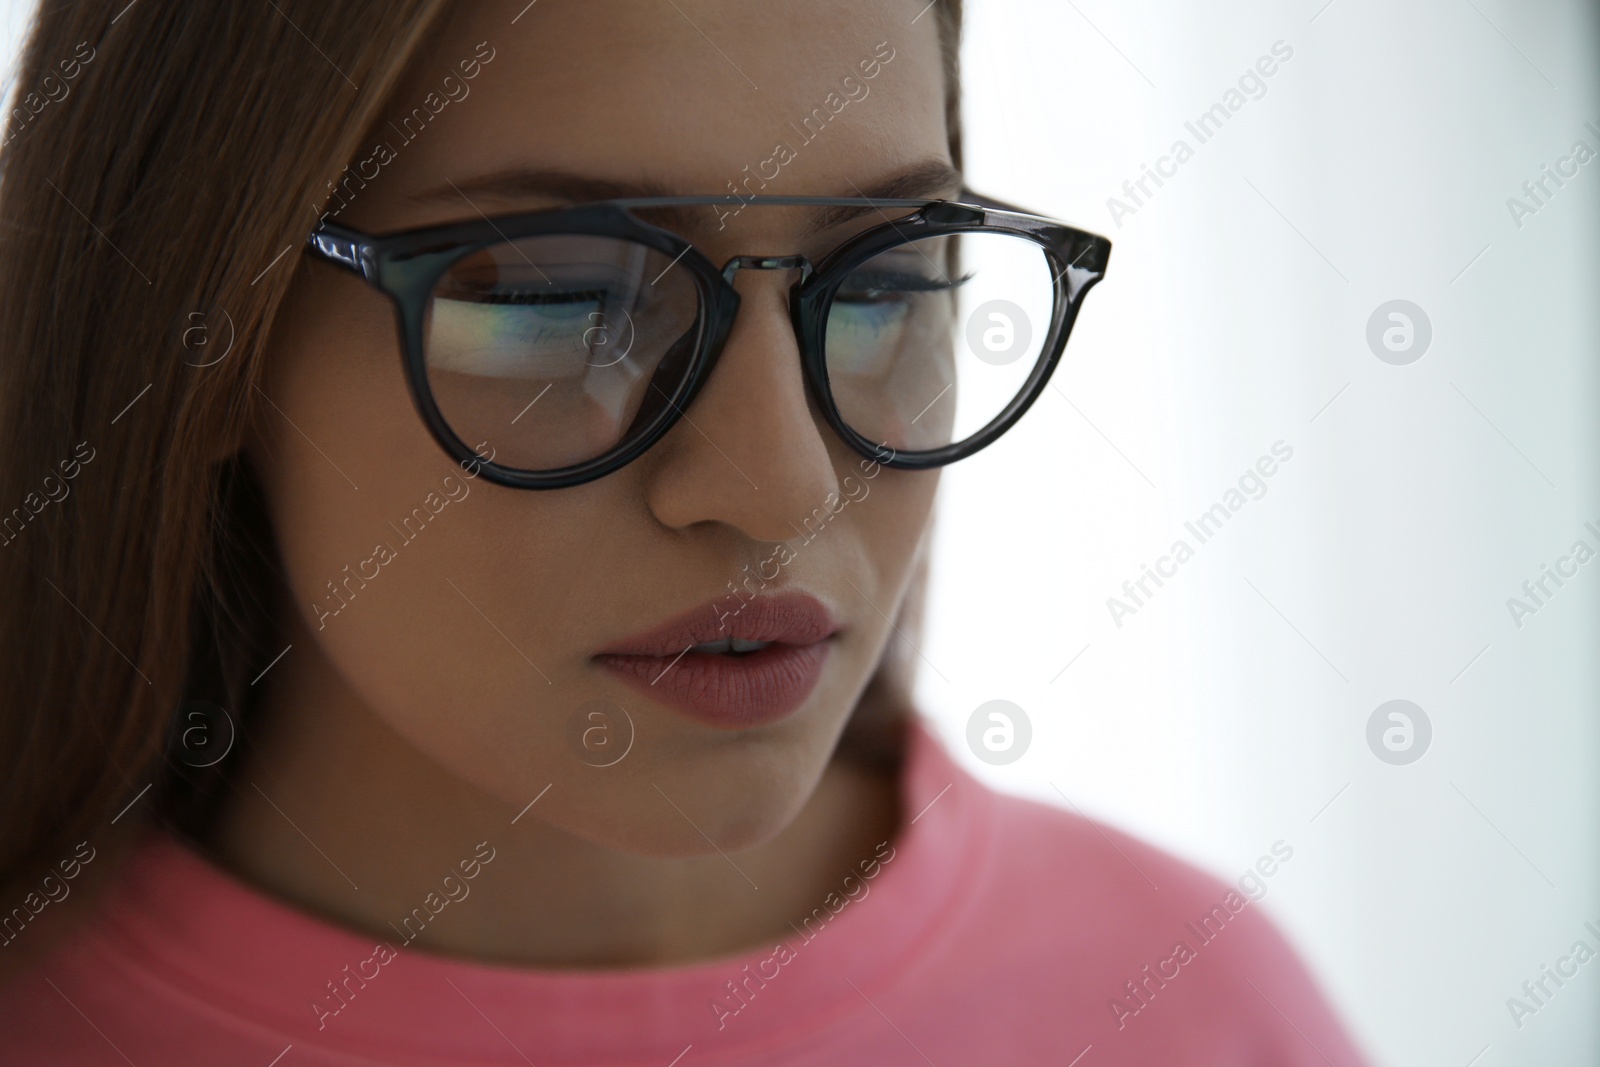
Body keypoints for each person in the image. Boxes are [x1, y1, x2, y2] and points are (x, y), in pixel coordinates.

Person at [0, 0, 1373, 1062]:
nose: (783, 492)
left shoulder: (1191, 1010)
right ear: (201, 336)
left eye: (885, 280)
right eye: (562, 299)